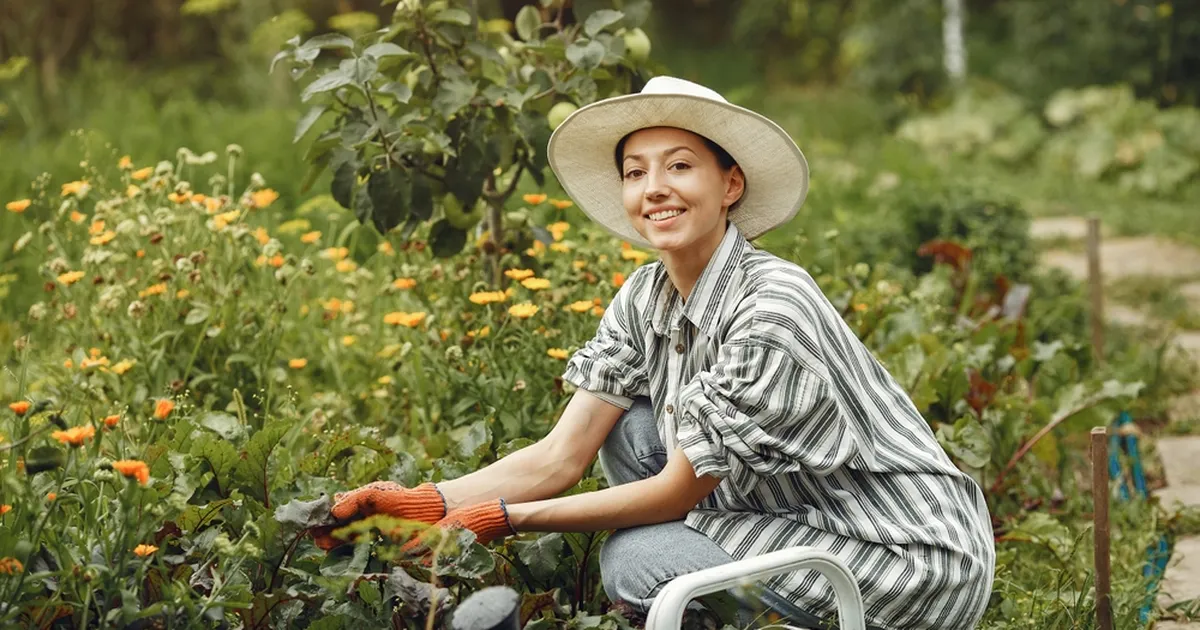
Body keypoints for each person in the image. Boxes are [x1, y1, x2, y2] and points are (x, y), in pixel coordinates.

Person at [313, 76, 996, 630]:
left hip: (903, 558)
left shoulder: (773, 306)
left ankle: (740, 611)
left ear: (731, 186)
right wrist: (426, 503)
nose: (654, 188)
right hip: (785, 517)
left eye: (680, 166)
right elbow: (561, 456)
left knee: (639, 558)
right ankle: (725, 596)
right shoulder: (645, 295)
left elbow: (674, 491)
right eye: (635, 172)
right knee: (629, 425)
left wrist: (501, 519)